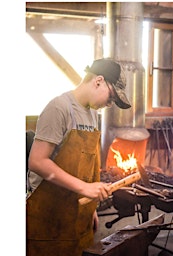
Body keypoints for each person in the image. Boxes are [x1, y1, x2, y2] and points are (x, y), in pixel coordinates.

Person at [26, 58, 132, 256]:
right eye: (111, 97)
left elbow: (88, 164)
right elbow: (37, 161)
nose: (109, 104)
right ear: (98, 81)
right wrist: (85, 188)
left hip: (76, 216)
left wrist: (90, 208)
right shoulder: (59, 108)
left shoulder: (92, 114)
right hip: (48, 219)